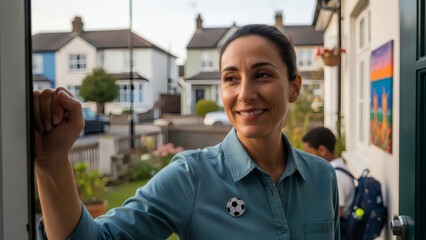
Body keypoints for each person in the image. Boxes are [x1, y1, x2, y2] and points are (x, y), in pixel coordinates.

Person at [34, 24, 340, 239]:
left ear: (294, 87)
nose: (245, 93)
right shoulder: (192, 177)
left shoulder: (322, 177)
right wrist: (52, 161)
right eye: (231, 78)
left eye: (262, 74)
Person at [302, 127, 355, 236]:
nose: (307, 158)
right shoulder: (339, 167)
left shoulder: (335, 175)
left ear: (322, 150)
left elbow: (338, 212)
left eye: (309, 153)